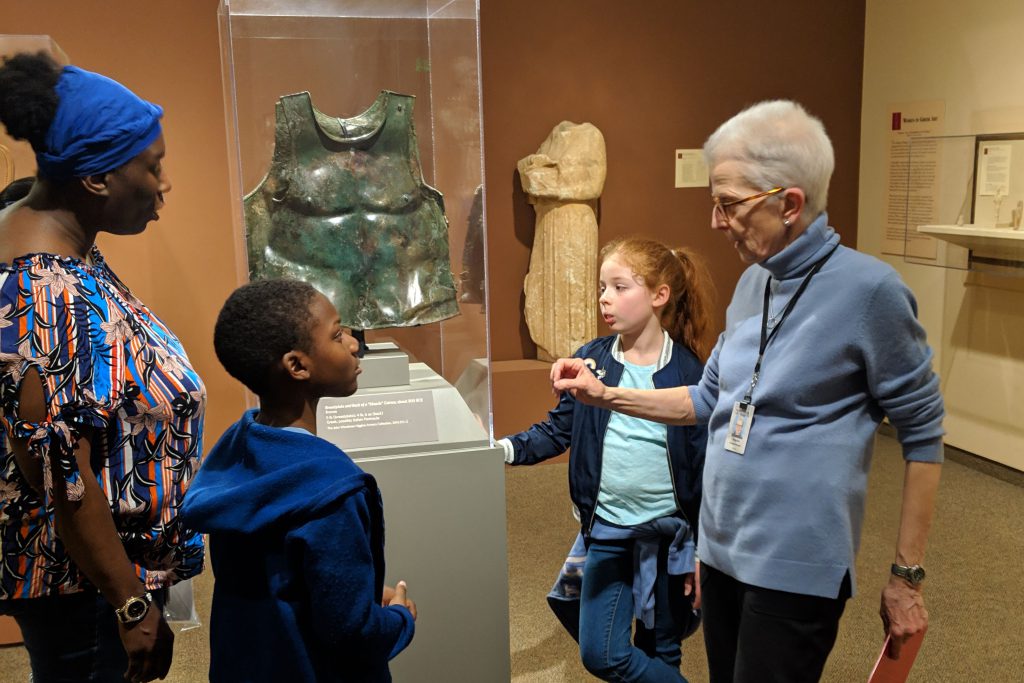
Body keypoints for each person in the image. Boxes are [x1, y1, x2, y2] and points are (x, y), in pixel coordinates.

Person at [551, 100, 945, 683]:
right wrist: (603, 396)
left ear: (789, 204)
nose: (714, 220)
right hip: (724, 551)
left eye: (728, 204)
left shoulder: (872, 293)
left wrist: (906, 576)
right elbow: (706, 401)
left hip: (795, 565)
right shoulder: (753, 281)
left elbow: (925, 435)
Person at [0, 53, 205, 682]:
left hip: (88, 576)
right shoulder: (45, 290)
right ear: (96, 181)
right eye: (153, 165)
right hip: (85, 584)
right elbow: (63, 473)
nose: (163, 182)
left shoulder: (50, 243)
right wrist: (131, 602)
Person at [179, 278, 416, 683]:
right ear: (298, 365)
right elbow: (349, 632)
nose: (354, 344)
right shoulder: (333, 491)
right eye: (338, 335)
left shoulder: (237, 450)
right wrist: (399, 619)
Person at [501, 237, 713, 682]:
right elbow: (557, 430)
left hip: (669, 538)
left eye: (619, 287)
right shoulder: (590, 361)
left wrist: (701, 545)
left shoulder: (690, 372)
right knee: (601, 654)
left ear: (659, 296)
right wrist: (505, 450)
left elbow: (707, 469)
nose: (605, 298)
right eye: (602, 287)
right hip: (608, 533)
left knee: (662, 652)